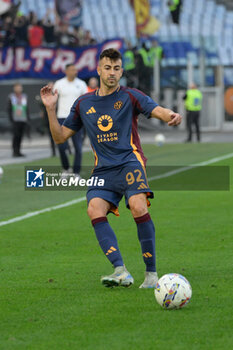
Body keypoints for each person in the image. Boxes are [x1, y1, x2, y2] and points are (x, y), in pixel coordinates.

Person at [40, 48, 182, 288]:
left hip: (130, 161)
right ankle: (121, 270)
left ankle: (151, 274)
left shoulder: (131, 96)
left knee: (138, 207)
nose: (112, 73)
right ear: (99, 69)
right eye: (107, 68)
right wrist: (51, 110)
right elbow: (60, 137)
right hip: (103, 170)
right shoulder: (84, 103)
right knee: (94, 209)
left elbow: (155, 109)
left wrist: (170, 115)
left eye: (116, 68)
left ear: (121, 71)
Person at [53, 63, 87, 177]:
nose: (75, 72)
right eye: (72, 70)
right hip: (62, 117)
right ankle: (66, 168)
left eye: (75, 69)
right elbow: (53, 100)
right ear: (66, 71)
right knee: (61, 146)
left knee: (78, 147)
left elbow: (86, 101)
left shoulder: (81, 84)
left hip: (77, 118)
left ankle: (76, 172)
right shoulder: (59, 84)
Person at [7, 83, 30, 157]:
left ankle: (19, 151)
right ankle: (15, 151)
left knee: (20, 136)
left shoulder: (24, 96)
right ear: (14, 88)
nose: (19, 89)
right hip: (15, 120)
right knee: (16, 136)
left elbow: (26, 108)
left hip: (23, 119)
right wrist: (11, 119)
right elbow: (9, 109)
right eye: (17, 87)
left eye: (20, 87)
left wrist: (27, 118)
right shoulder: (11, 97)